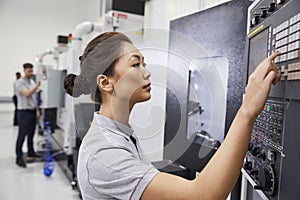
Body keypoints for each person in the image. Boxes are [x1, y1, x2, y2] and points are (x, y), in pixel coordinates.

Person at [64, 32, 280, 200]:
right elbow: (204, 196)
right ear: (105, 82)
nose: (147, 72)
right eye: (135, 64)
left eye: (144, 63)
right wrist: (247, 110)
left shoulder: (121, 134)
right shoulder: (105, 152)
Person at [15, 63, 41, 168]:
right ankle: (19, 158)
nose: (31, 73)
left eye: (32, 71)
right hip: (23, 112)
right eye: (29, 71)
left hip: (32, 111)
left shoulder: (31, 81)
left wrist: (37, 111)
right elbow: (27, 93)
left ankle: (31, 151)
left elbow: (34, 98)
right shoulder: (18, 83)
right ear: (24, 70)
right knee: (22, 135)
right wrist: (37, 86)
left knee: (31, 134)